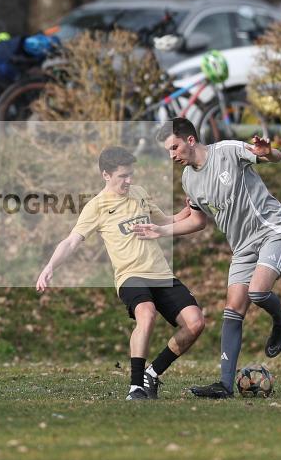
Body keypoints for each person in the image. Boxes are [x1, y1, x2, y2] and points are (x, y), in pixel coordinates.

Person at [135, 119, 281, 399]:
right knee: (232, 311)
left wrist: (268, 152)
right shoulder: (189, 179)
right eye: (167, 151)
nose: (172, 155)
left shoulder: (228, 151)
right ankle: (224, 385)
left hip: (274, 231)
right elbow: (198, 221)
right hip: (243, 247)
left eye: (174, 147)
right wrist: (161, 231)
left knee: (258, 292)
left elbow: (275, 157)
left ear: (190, 140)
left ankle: (280, 320)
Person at [36, 146, 205, 400]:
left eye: (130, 174)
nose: (129, 180)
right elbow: (72, 241)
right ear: (106, 175)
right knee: (146, 314)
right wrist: (50, 266)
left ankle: (153, 373)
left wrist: (192, 207)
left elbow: (165, 221)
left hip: (160, 274)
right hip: (130, 275)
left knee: (195, 324)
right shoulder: (97, 206)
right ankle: (136, 386)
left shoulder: (139, 193)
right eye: (122, 176)